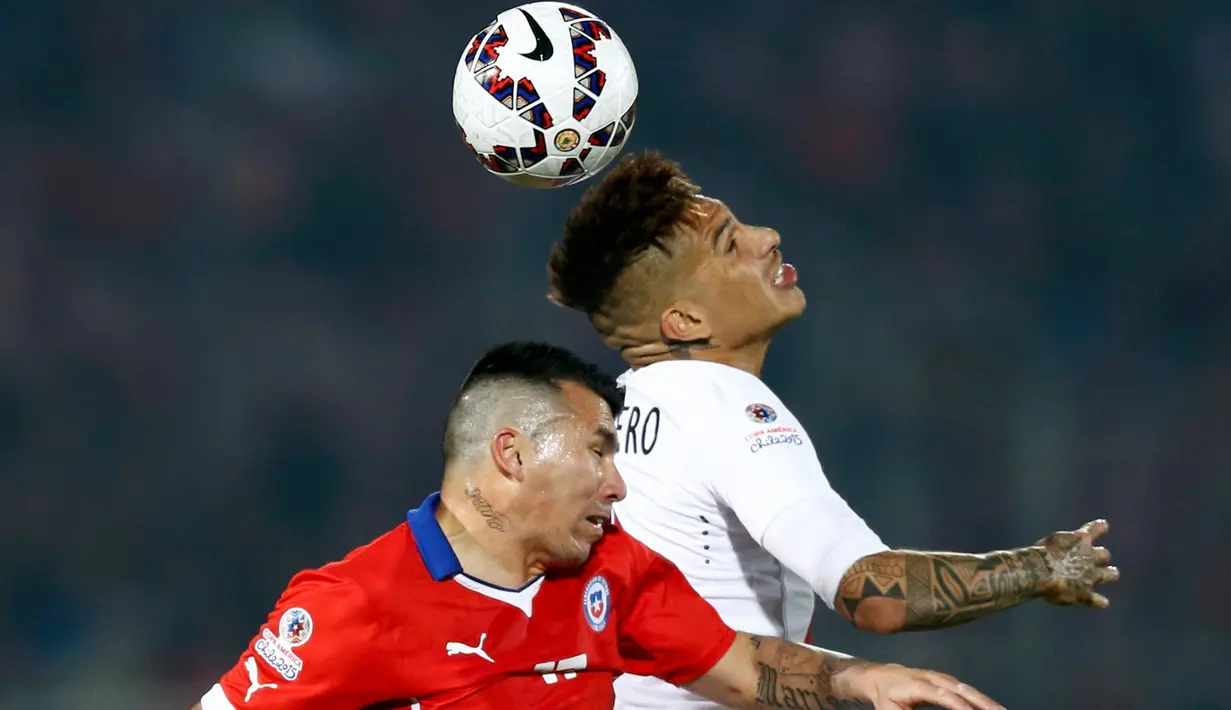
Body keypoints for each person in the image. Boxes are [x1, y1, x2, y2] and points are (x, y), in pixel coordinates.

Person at [545, 153, 1121, 710]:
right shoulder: (723, 404)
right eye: (729, 243)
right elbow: (872, 595)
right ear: (685, 321)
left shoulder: (608, 418)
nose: (766, 235)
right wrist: (1042, 567)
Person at [192, 341, 1001, 710]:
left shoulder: (611, 572)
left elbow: (743, 669)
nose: (618, 484)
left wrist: (868, 681)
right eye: (596, 452)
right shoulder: (355, 604)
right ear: (510, 455)